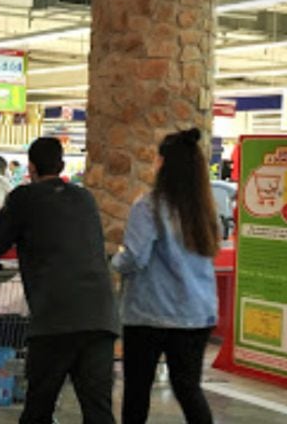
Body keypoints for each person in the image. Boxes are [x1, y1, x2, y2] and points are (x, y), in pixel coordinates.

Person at [0, 137, 118, 424]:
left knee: (38, 407)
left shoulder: (24, 198)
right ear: (62, 165)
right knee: (98, 411)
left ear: (30, 167)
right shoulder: (85, 197)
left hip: (55, 317)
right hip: (100, 316)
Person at [112, 128, 218, 424]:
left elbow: (134, 257)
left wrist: (114, 261)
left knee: (137, 391)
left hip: (150, 314)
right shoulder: (205, 209)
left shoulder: (148, 206)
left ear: (164, 164)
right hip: (196, 313)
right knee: (188, 388)